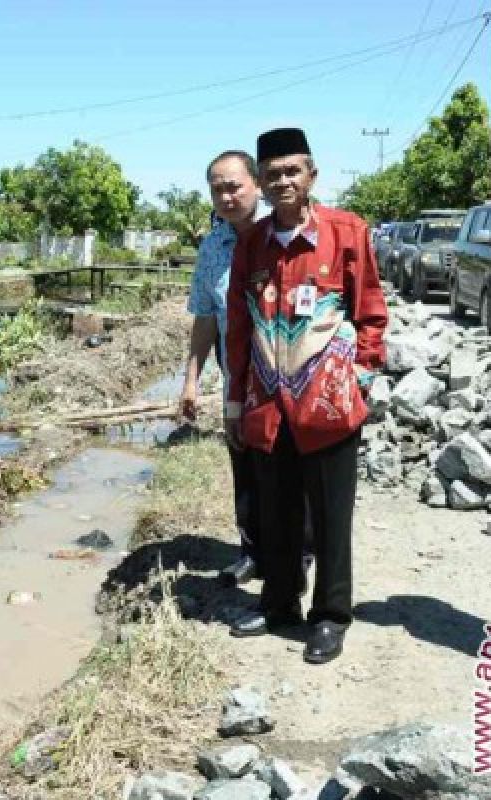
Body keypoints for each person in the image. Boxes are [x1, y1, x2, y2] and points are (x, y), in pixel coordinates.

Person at [224, 127, 387, 664]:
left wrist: (359, 378)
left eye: (292, 171)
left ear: (312, 175)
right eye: (273, 174)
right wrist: (235, 399)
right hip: (269, 405)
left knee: (331, 515)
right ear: (263, 184)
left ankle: (331, 616)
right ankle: (278, 604)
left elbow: (369, 314)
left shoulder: (346, 232)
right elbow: (238, 326)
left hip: (330, 406)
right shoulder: (252, 243)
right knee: (277, 512)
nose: (283, 181)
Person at [181, 151, 268, 586]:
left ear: (256, 184)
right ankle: (251, 551)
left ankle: (301, 554)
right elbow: (205, 317)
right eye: (218, 189)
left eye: (234, 185)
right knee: (245, 465)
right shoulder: (213, 247)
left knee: (288, 469)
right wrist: (191, 382)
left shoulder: (282, 235)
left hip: (287, 380)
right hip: (237, 378)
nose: (227, 196)